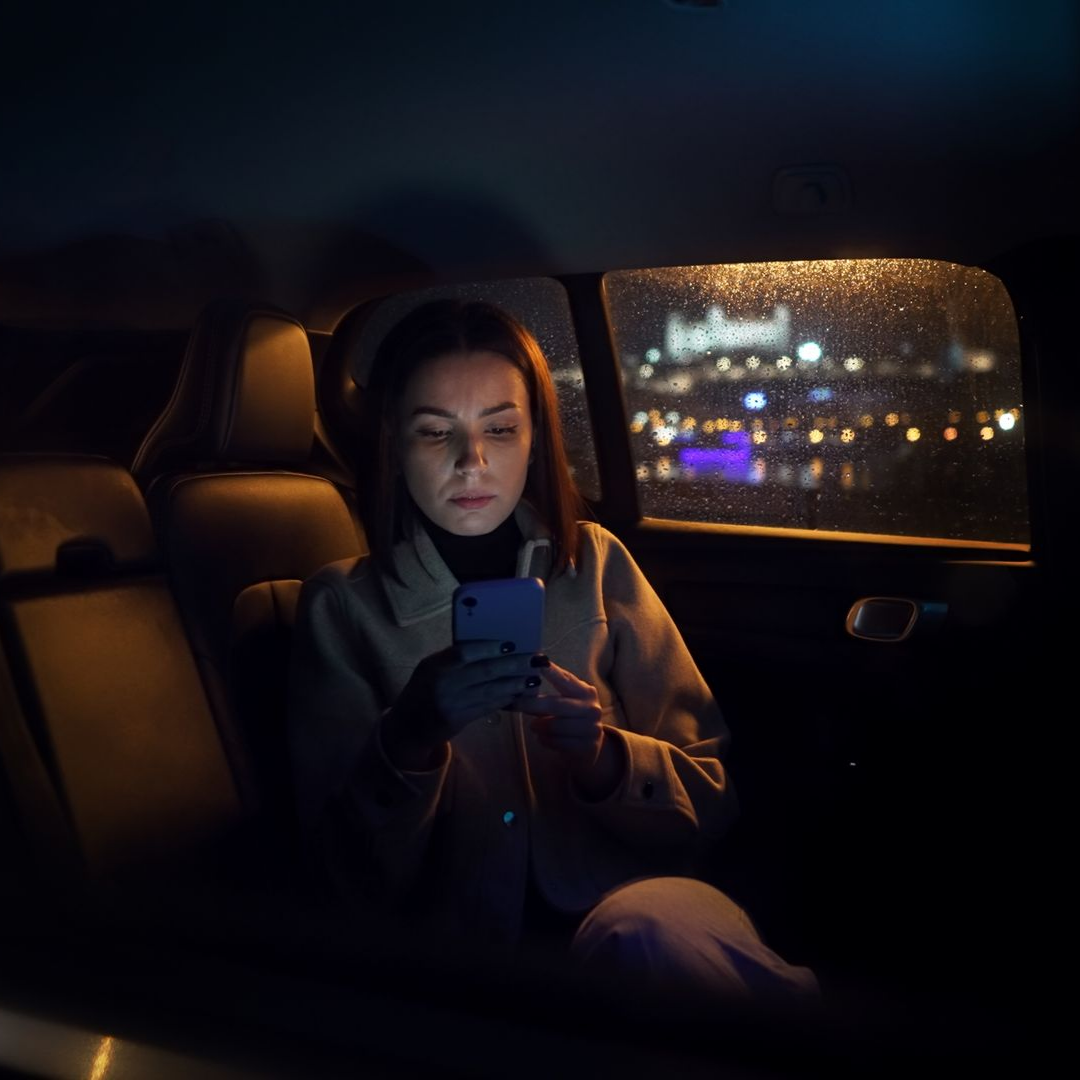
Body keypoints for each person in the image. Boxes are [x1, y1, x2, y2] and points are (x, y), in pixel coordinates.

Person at [288, 299, 817, 999]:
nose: (472, 462)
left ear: (536, 438)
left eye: (500, 428)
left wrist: (604, 760)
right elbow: (339, 882)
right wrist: (407, 741)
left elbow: (713, 801)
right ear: (393, 442)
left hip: (638, 920)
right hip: (463, 972)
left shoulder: (595, 565)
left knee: (647, 932)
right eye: (435, 432)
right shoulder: (342, 608)